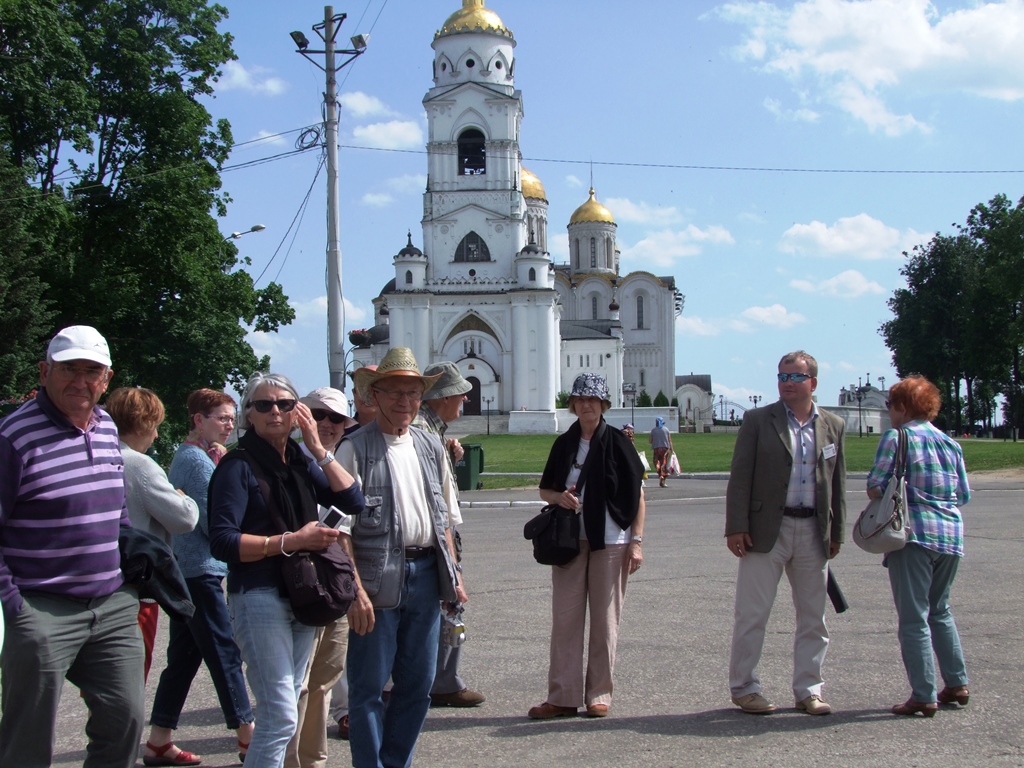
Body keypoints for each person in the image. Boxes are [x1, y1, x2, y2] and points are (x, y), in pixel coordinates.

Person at [0, 325, 145, 767]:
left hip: (111, 603)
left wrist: (129, 568)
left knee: (125, 721)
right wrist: (15, 606)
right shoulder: (13, 436)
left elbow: (116, 506)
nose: (80, 381)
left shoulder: (105, 426)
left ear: (107, 378)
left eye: (92, 371)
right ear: (45, 372)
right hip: (41, 605)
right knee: (28, 740)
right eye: (69, 370)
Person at [208, 372, 364, 767]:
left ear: (297, 412)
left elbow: (353, 499)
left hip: (301, 593)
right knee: (279, 716)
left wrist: (317, 448)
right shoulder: (237, 466)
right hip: (259, 595)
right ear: (249, 415)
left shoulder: (296, 459)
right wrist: (290, 542)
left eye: (283, 404)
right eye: (263, 405)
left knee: (289, 704)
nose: (274, 412)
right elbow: (223, 542)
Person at [338, 347, 466, 768]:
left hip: (427, 574)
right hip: (376, 580)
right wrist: (355, 592)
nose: (404, 402)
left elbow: (444, 515)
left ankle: (395, 762)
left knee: (418, 685)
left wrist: (454, 574)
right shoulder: (354, 448)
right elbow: (340, 533)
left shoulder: (431, 446)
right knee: (369, 687)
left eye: (412, 393)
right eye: (394, 392)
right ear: (374, 396)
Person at [725, 350, 845, 716]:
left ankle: (809, 689)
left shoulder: (833, 425)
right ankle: (745, 688)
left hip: (813, 530)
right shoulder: (759, 420)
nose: (787, 384)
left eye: (795, 377)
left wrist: (836, 530)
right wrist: (737, 526)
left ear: (813, 382)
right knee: (753, 613)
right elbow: (740, 476)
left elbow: (837, 483)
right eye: (782, 377)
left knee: (814, 616)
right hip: (765, 532)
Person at [146, 389, 255, 766]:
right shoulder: (197, 462)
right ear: (198, 420)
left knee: (184, 656)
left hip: (188, 569)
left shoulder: (191, 456)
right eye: (222, 418)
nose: (230, 425)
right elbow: (215, 523)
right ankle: (248, 735)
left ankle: (159, 739)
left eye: (231, 417)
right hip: (201, 571)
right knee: (225, 651)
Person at [529, 373, 645, 720]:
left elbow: (638, 496)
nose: (586, 406)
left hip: (610, 541)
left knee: (605, 621)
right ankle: (562, 696)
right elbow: (545, 490)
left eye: (592, 401)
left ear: (603, 405)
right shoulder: (564, 443)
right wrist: (559, 497)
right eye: (580, 401)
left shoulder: (619, 443)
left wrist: (636, 543)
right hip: (569, 541)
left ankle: (599, 694)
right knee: (565, 620)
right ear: (574, 405)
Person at [866, 375, 971, 718]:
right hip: (950, 535)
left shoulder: (897, 438)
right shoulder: (950, 444)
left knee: (913, 618)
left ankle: (923, 694)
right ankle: (956, 681)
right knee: (940, 609)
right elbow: (963, 495)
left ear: (901, 406)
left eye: (890, 404)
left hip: (913, 534)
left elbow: (877, 485)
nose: (889, 411)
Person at [105, 387, 200, 690]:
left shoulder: (95, 455)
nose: (157, 435)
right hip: (138, 588)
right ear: (144, 423)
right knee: (129, 685)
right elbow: (183, 519)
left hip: (99, 584)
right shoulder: (140, 465)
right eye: (156, 426)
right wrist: (185, 498)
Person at [284, 387, 358, 768]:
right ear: (301, 416)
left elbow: (354, 505)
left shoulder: (339, 462)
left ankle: (312, 762)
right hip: (298, 589)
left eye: (336, 418)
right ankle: (287, 760)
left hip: (335, 586)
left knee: (323, 684)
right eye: (318, 415)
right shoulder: (289, 458)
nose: (326, 424)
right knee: (293, 685)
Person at [412, 361, 486, 708]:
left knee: (445, 609)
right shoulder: (422, 431)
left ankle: (443, 679)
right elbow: (429, 495)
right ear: (443, 397)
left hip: (439, 533)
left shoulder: (432, 429)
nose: (465, 401)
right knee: (445, 606)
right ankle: (438, 683)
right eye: (460, 395)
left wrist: (450, 455)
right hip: (433, 536)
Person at [649, 416, 674, 487]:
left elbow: (650, 441)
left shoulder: (653, 430)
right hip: (665, 449)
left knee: (656, 462)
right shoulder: (666, 430)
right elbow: (670, 440)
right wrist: (672, 449)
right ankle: (663, 479)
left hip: (656, 449)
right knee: (664, 463)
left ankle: (660, 473)